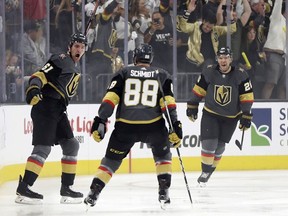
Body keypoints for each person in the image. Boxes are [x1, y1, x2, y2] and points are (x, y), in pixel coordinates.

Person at [84, 44, 183, 209]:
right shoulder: (162, 75)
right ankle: (164, 191)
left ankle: (94, 192)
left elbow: (110, 99)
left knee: (110, 162)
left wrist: (101, 120)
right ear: (150, 59)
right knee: (163, 157)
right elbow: (168, 104)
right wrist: (175, 125)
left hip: (125, 127)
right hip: (154, 126)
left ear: (135, 58)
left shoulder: (123, 73)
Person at [15, 32, 87, 204]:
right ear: (69, 47)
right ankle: (24, 188)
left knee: (71, 145)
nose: (79, 50)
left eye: (82, 47)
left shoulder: (74, 66)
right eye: (76, 46)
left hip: (58, 110)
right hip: (45, 107)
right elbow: (40, 75)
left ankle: (66, 189)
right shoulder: (60, 59)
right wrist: (33, 89)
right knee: (43, 149)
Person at [186, 47, 254, 187]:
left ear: (230, 58)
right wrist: (192, 105)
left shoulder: (240, 75)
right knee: (209, 144)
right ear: (218, 59)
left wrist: (246, 114)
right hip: (210, 114)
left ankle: (209, 172)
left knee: (220, 147)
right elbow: (199, 89)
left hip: (231, 117)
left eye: (226, 57)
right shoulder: (209, 71)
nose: (223, 60)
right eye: (220, 57)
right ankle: (205, 172)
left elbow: (247, 97)